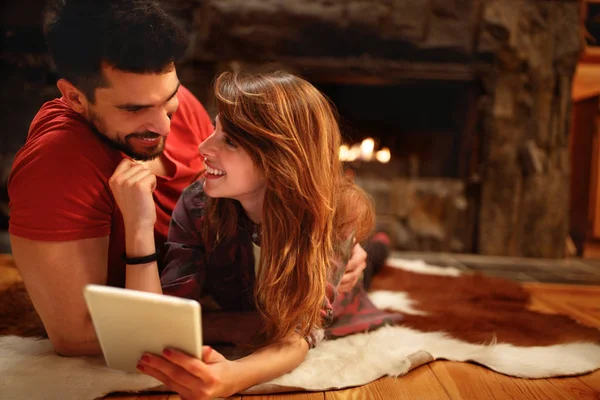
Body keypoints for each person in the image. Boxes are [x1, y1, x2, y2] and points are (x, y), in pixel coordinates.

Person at [7, 0, 368, 357]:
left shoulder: (178, 110)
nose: (166, 125)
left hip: (240, 278)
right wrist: (231, 324)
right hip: (185, 296)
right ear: (75, 98)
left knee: (364, 251)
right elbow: (75, 336)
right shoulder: (54, 169)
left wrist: (331, 238)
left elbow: (245, 195)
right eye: (134, 109)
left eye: (169, 98)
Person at [110, 71, 402, 398]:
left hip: (341, 296)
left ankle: (378, 246)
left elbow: (297, 334)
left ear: (281, 160)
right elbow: (157, 326)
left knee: (367, 263)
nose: (203, 147)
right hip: (250, 297)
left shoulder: (334, 213)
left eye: (230, 140)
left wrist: (233, 376)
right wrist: (137, 224)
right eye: (213, 129)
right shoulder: (198, 205)